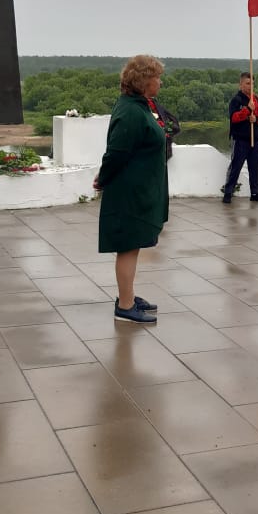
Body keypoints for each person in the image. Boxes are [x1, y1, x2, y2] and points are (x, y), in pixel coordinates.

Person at [93, 55, 169, 324]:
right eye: (156, 77)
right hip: (129, 193)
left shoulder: (139, 106)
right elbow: (116, 153)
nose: (160, 82)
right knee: (127, 247)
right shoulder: (130, 112)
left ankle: (129, 295)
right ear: (143, 81)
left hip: (139, 190)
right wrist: (103, 178)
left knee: (133, 246)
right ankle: (125, 306)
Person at [222, 73, 258, 204]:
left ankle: (255, 193)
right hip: (240, 140)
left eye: (252, 83)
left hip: (256, 140)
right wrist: (248, 110)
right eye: (248, 84)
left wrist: (257, 118)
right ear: (241, 85)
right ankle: (228, 192)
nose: (251, 86)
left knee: (255, 168)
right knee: (236, 167)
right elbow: (234, 118)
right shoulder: (236, 100)